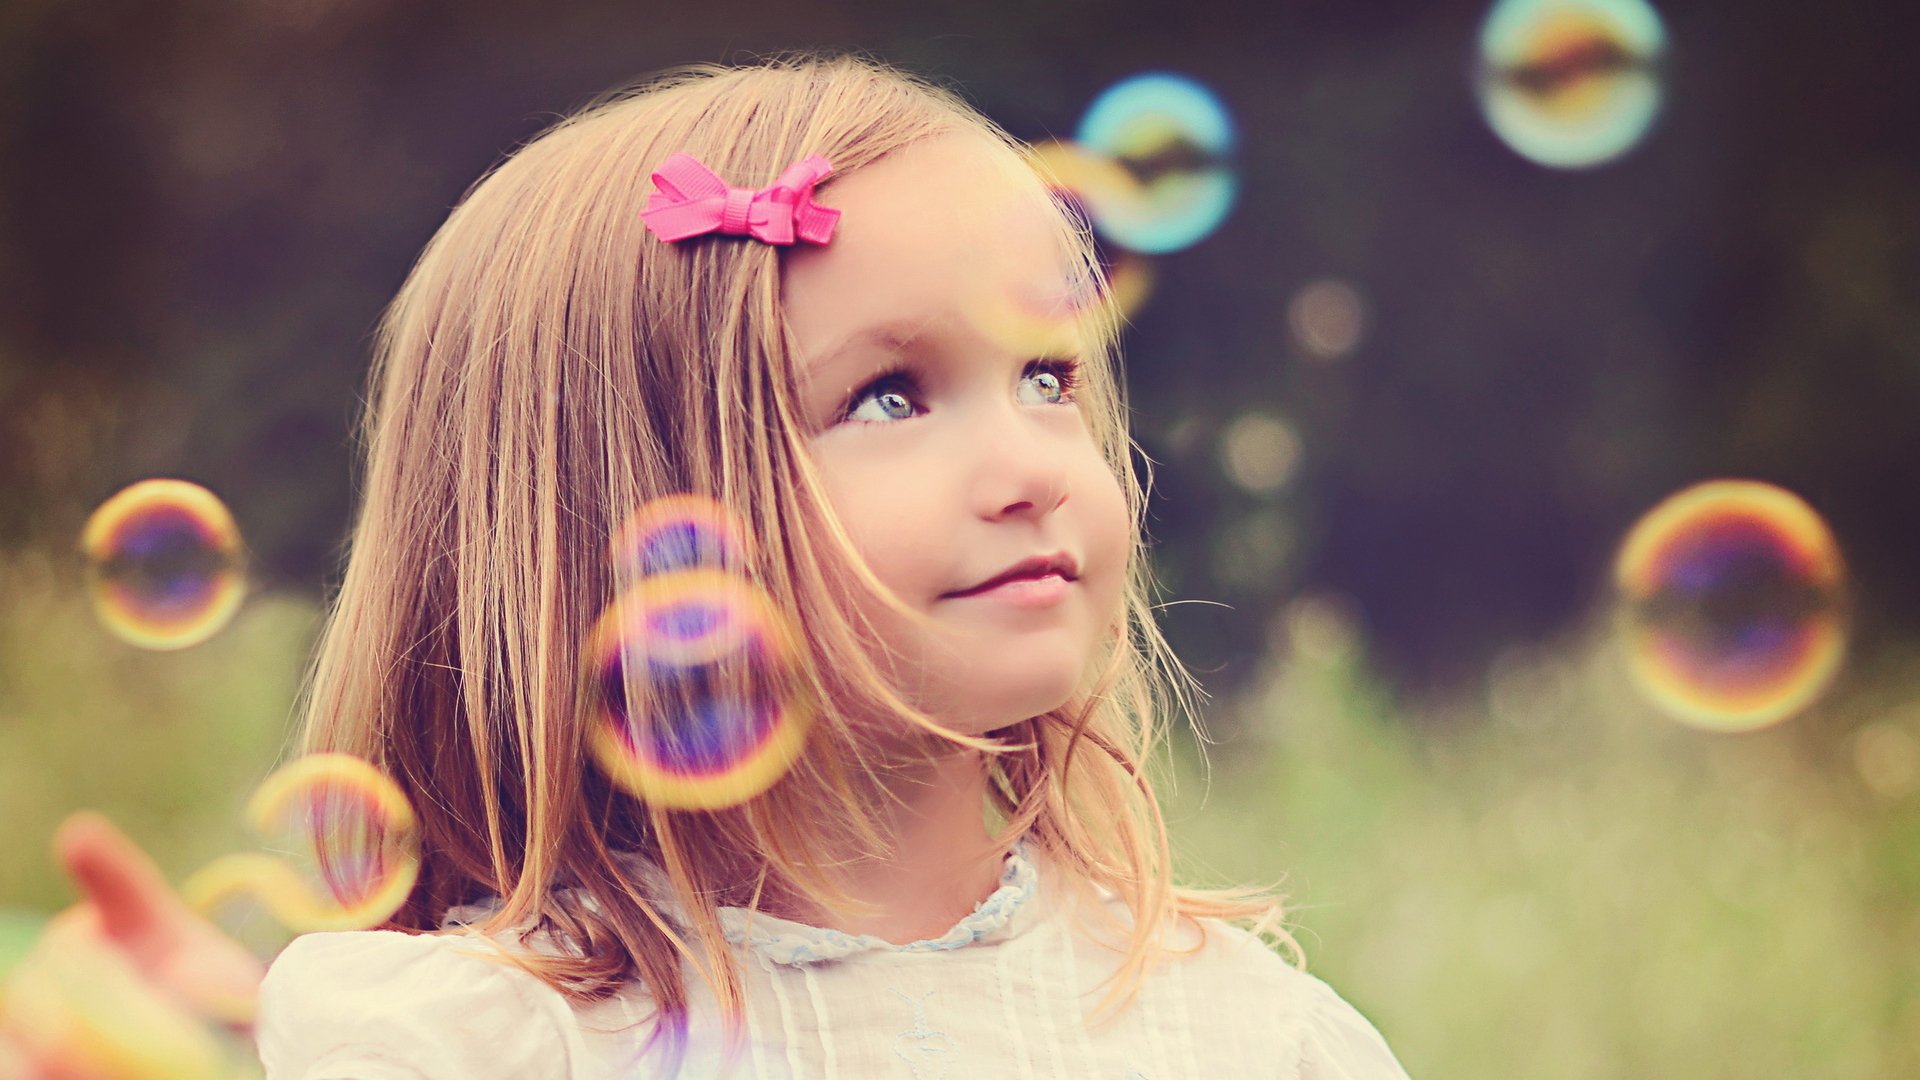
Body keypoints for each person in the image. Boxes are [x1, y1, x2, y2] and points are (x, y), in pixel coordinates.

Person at [11, 54, 1412, 1078]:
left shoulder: (1239, 1036)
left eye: (1048, 376)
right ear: (638, 534)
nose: (1035, 465)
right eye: (890, 396)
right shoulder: (491, 1046)